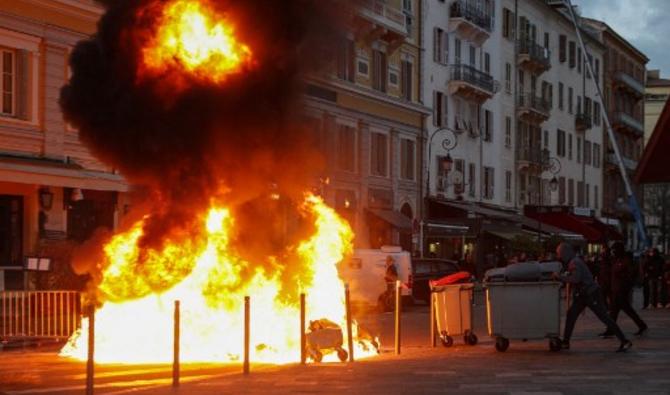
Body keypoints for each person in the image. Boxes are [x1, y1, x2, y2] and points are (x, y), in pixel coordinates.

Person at [553, 242, 632, 352]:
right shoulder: (574, 261)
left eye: (559, 253)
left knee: (604, 317)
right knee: (571, 314)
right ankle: (566, 342)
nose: (558, 256)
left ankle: (624, 341)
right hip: (583, 295)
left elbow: (576, 278)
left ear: (564, 253)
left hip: (591, 294)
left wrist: (559, 277)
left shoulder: (574, 262)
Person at [600, 242, 647, 337]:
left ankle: (611, 329)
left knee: (617, 311)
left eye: (615, 250)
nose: (613, 252)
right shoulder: (616, 260)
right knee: (617, 311)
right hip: (616, 289)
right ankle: (641, 325)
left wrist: (622, 277)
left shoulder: (626, 260)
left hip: (622, 289)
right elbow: (606, 263)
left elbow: (631, 273)